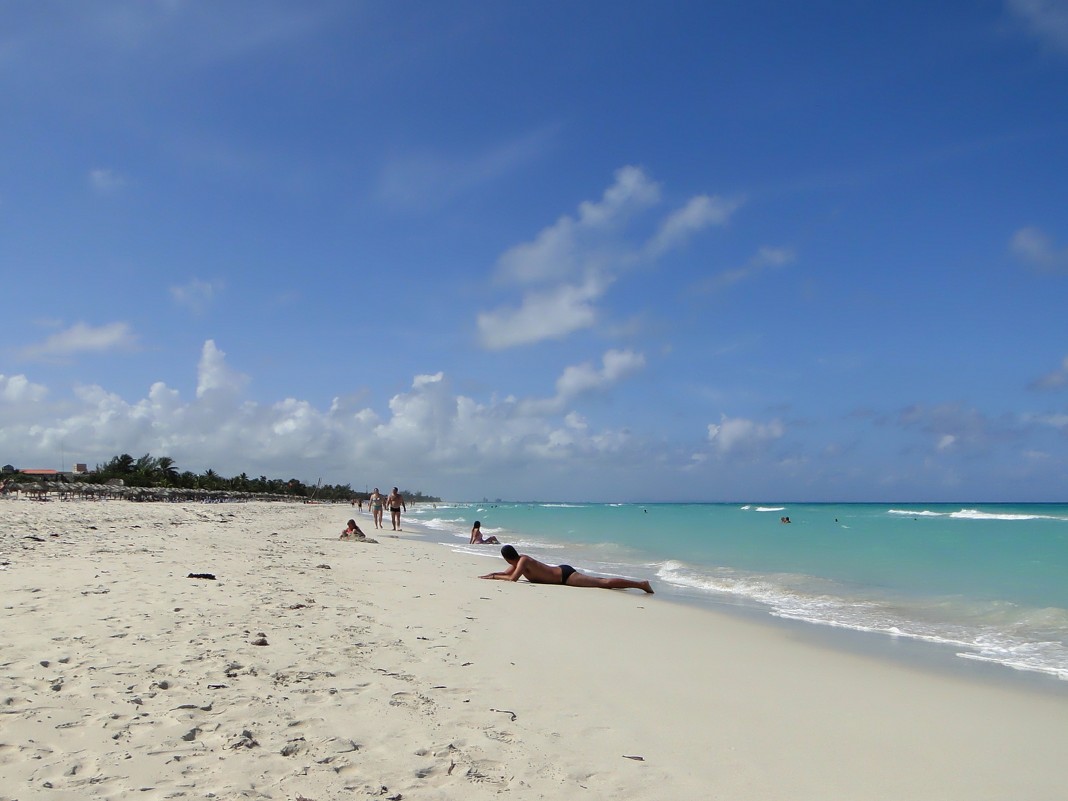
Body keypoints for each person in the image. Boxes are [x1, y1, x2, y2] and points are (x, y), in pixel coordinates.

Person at [480, 545, 653, 593]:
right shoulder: (518, 562)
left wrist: (495, 578)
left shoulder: (523, 561)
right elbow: (506, 574)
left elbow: (512, 579)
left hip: (565, 576)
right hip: (561, 574)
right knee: (601, 583)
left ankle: (641, 584)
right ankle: (640, 584)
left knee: (603, 583)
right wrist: (491, 575)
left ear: (507, 557)